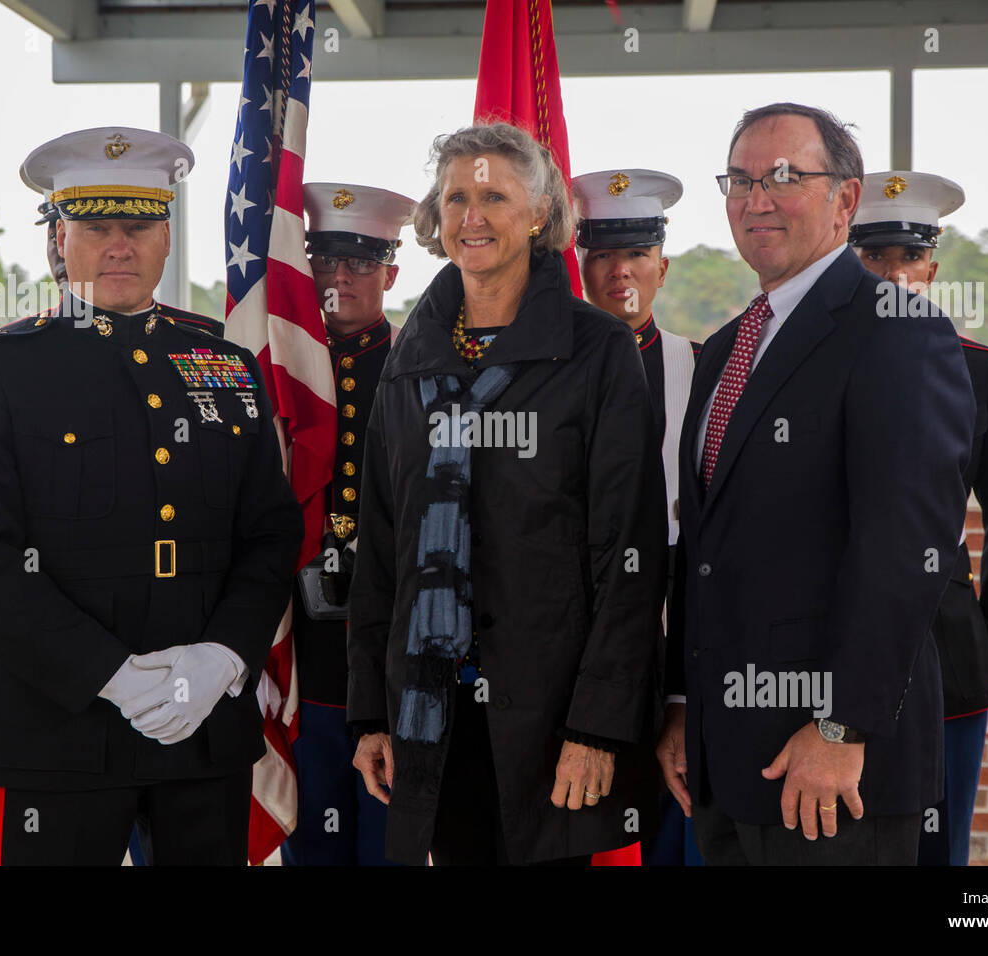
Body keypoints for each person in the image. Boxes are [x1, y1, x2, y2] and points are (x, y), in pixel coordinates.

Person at [0, 126, 303, 865]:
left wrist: (224, 658)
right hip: (57, 729)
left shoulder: (222, 364)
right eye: (96, 227)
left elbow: (268, 531)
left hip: (203, 730)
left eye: (140, 226)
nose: (119, 246)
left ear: (166, 238)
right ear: (57, 240)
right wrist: (111, 676)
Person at [658, 103, 976, 865]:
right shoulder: (732, 344)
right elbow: (701, 549)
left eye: (783, 178)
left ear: (845, 199)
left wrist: (843, 728)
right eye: (739, 180)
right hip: (728, 761)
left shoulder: (897, 328)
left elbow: (904, 550)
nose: (755, 199)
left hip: (836, 773)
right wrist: (681, 704)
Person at [346, 122, 668, 865]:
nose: (473, 216)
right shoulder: (407, 362)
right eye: (457, 196)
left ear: (539, 213)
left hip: (555, 722)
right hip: (435, 715)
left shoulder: (598, 352)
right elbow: (382, 555)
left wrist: (598, 728)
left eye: (495, 195)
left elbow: (629, 551)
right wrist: (371, 714)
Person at [850, 170, 988, 866]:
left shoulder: (979, 371)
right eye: (873, 256)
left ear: (933, 263)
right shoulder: (812, 366)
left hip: (947, 645)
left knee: (939, 847)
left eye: (908, 255)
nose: (893, 273)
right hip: (832, 645)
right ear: (849, 257)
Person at [281, 182, 417, 866]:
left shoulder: (425, 371)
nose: (339, 277)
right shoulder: (275, 372)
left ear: (391, 271)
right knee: (312, 846)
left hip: (395, 655)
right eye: (325, 259)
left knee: (391, 849)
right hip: (300, 654)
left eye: (361, 261)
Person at [572, 168, 703, 867]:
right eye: (600, 253)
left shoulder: (703, 369)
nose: (619, 270)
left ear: (663, 264)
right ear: (581, 262)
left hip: (676, 622)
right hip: (581, 624)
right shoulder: (549, 372)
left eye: (636, 254)